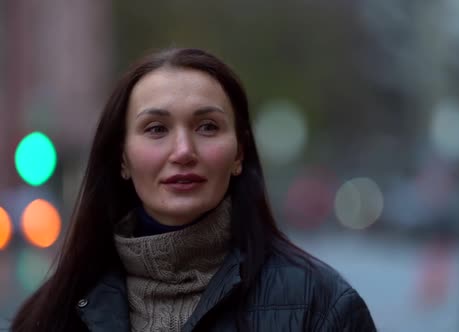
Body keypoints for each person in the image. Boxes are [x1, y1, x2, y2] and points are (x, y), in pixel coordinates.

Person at [11, 48, 376, 332]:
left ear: (239, 153)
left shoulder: (322, 307)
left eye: (207, 127)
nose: (183, 151)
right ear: (122, 157)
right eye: (156, 129)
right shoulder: (50, 315)